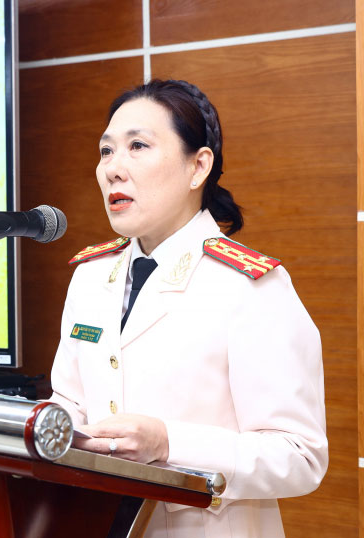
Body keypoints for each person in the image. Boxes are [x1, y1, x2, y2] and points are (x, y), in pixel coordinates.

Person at [48, 79, 328, 538]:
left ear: (198, 166)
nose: (113, 169)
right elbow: (72, 402)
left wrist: (169, 443)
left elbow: (300, 456)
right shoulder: (90, 276)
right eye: (106, 151)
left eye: (137, 146)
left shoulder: (249, 286)